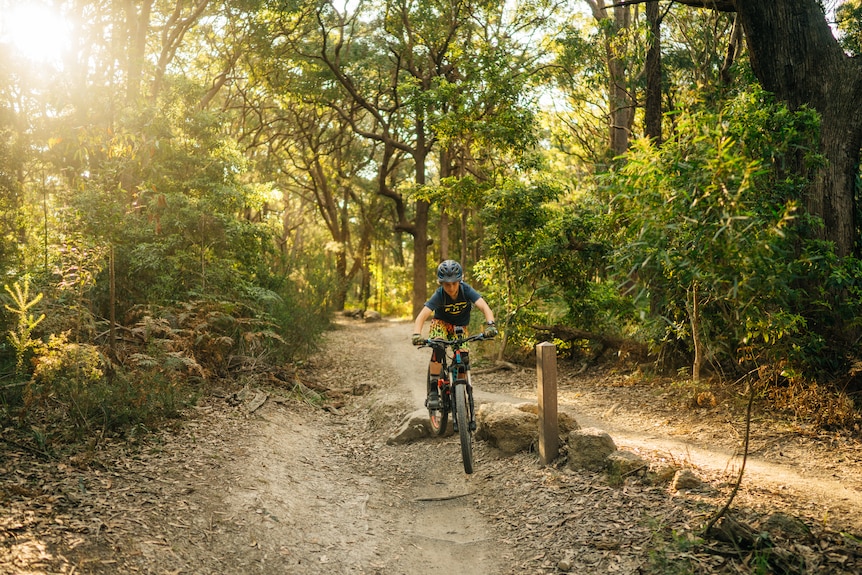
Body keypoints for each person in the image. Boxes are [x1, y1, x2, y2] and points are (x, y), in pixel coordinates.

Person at [411, 260, 497, 409]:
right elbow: (422, 316)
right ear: (441, 283)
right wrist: (416, 334)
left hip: (460, 326)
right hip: (441, 324)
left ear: (460, 281)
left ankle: (459, 389)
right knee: (438, 347)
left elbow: (484, 306)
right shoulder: (439, 295)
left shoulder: (466, 290)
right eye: (446, 284)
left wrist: (490, 325)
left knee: (463, 357)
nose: (450, 288)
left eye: (454, 283)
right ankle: (433, 390)